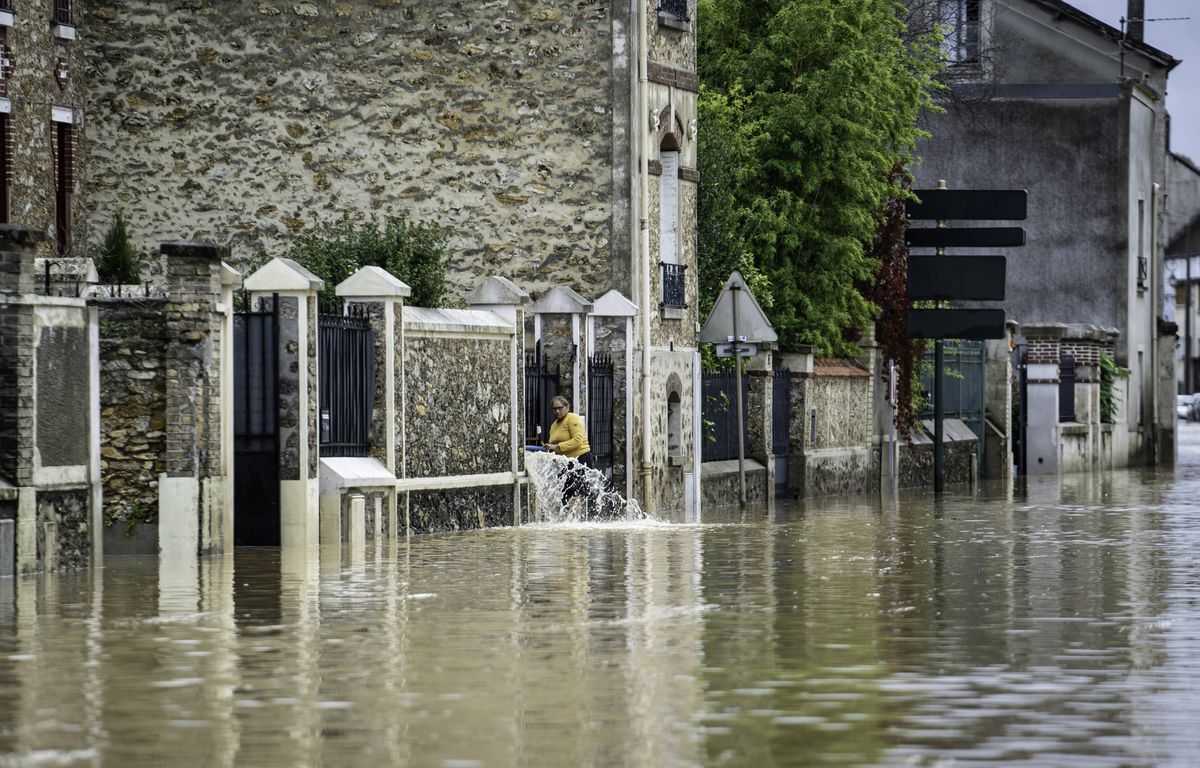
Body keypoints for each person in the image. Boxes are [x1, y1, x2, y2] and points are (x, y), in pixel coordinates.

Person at [543, 396, 592, 516]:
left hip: (579, 459)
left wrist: (557, 446)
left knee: (574, 494)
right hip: (564, 462)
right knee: (565, 494)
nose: (557, 411)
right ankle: (570, 521)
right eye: (555, 409)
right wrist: (550, 447)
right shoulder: (554, 425)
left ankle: (575, 523)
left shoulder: (573, 419)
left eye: (560, 408)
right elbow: (555, 444)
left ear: (567, 407)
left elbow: (577, 441)